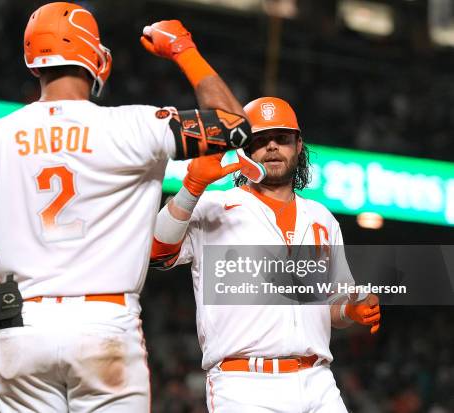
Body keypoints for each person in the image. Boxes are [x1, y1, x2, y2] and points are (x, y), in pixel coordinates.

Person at [0, 2, 254, 411]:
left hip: (22, 328)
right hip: (105, 325)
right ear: (95, 58)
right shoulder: (136, 126)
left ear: (34, 62)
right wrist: (183, 50)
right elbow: (236, 124)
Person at [150, 97, 381, 412]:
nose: (272, 147)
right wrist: (191, 187)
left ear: (298, 145)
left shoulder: (322, 218)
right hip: (243, 384)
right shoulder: (214, 206)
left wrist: (350, 309)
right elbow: (156, 251)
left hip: (318, 381)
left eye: (282, 138)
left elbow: (332, 306)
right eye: (261, 140)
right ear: (245, 149)